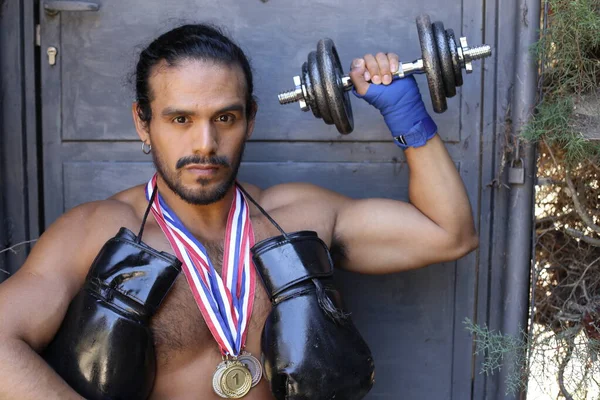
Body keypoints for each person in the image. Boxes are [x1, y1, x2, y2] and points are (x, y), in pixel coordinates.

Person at [0, 23, 478, 400]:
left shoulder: (298, 215)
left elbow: (449, 233)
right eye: (180, 119)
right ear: (142, 124)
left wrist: (408, 117)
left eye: (224, 118)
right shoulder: (95, 231)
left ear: (250, 118)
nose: (204, 144)